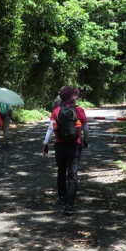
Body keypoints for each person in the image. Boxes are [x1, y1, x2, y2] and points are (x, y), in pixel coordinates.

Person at [41, 86, 89, 216]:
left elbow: (51, 128)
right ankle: (69, 205)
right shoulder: (79, 110)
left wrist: (45, 143)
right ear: (72, 98)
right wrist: (85, 141)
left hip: (60, 145)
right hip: (74, 145)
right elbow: (86, 128)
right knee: (72, 174)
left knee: (61, 171)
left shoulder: (56, 110)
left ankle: (62, 197)